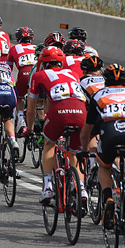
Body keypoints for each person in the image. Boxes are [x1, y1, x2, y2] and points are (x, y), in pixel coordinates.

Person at [79, 64, 125, 230]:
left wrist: (84, 151)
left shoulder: (99, 95)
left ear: (105, 81)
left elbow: (86, 131)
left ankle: (108, 198)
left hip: (110, 132)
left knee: (104, 166)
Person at [26, 46, 87, 205]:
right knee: (73, 153)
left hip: (59, 113)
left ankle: (47, 187)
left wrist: (30, 129)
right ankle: (80, 187)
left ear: (42, 61)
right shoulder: (73, 73)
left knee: (49, 144)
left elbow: (31, 108)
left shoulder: (38, 75)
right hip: (81, 113)